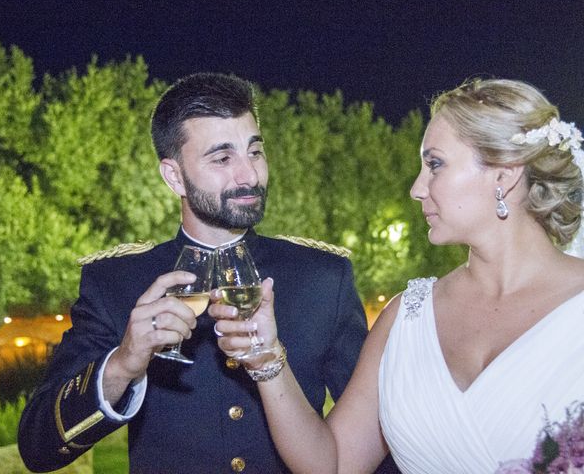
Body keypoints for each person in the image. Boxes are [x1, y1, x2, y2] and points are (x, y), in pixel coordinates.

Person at [18, 72, 399, 473]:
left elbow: (375, 434)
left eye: (254, 152)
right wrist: (122, 364)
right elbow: (38, 449)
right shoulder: (116, 282)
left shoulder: (323, 277)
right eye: (222, 158)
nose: (249, 175)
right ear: (174, 176)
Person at [209, 78, 584, 473]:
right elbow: (333, 465)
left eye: (435, 164)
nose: (417, 188)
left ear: (503, 176)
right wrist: (268, 359)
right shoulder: (406, 318)